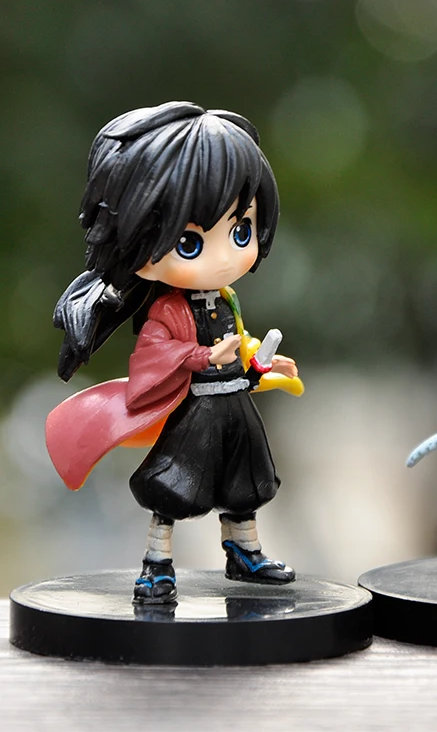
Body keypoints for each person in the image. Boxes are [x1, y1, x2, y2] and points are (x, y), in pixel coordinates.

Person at [46, 101, 302, 604]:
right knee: (175, 487)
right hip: (197, 413)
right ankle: (156, 564)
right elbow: (153, 356)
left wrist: (260, 365)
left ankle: (245, 553)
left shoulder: (225, 299)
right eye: (189, 242)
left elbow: (241, 346)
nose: (224, 257)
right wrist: (203, 358)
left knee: (246, 482)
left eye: (241, 231)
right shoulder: (167, 309)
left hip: (235, 406)